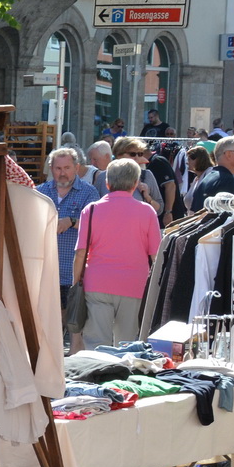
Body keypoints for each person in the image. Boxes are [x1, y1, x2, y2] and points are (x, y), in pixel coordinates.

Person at [71, 158, 161, 349]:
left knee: (96, 341)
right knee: (128, 342)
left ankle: (97, 375)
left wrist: (76, 280)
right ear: (136, 183)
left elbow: (81, 252)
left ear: (107, 183)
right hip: (134, 284)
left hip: (97, 282)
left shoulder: (92, 210)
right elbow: (156, 256)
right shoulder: (147, 212)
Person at [37, 147, 100, 307]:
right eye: (58, 168)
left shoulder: (89, 193)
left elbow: (96, 226)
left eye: (67, 168)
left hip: (73, 274)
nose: (62, 173)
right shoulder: (40, 192)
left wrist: (72, 221)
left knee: (72, 324)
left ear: (77, 168)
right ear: (51, 169)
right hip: (44, 273)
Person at [111, 138, 164, 215]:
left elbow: (160, 209)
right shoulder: (105, 176)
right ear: (119, 155)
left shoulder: (146, 175)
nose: (137, 157)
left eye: (140, 154)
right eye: (132, 154)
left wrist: (148, 198)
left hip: (138, 224)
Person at [188, 140, 234, 212]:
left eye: (189, 159)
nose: (187, 162)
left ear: (199, 160)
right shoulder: (197, 178)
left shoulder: (212, 175)